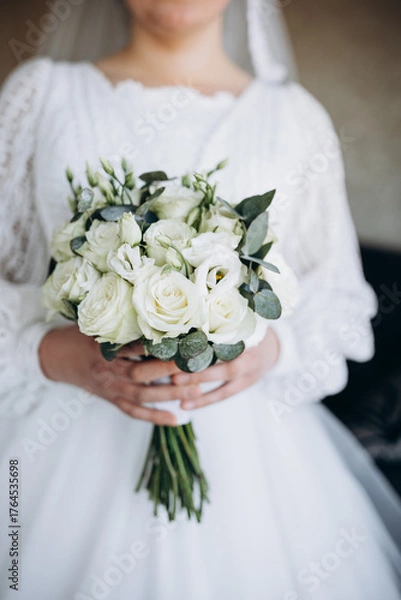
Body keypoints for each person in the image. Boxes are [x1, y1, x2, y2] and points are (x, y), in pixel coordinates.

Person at [0, 0, 400, 598]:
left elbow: (340, 302)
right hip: (51, 442)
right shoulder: (40, 96)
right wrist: (53, 353)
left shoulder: (294, 119)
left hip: (255, 465)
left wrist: (266, 353)